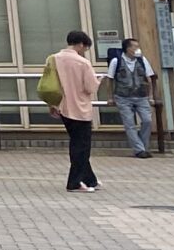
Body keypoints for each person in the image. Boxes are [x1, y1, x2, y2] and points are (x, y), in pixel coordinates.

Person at [48, 29, 102, 193]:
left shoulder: (54, 59)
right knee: (81, 146)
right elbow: (90, 87)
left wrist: (52, 103)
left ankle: (89, 179)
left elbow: (50, 84)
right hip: (80, 108)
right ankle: (75, 182)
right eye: (85, 47)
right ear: (81, 44)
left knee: (77, 143)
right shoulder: (82, 63)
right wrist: (99, 81)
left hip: (62, 106)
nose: (85, 50)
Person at [106, 37, 156, 158]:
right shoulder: (116, 61)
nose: (137, 49)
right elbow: (110, 79)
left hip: (141, 96)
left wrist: (150, 96)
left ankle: (143, 146)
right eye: (135, 46)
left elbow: (149, 78)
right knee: (129, 124)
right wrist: (110, 97)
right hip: (123, 97)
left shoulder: (142, 60)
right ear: (128, 48)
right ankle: (139, 150)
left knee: (147, 120)